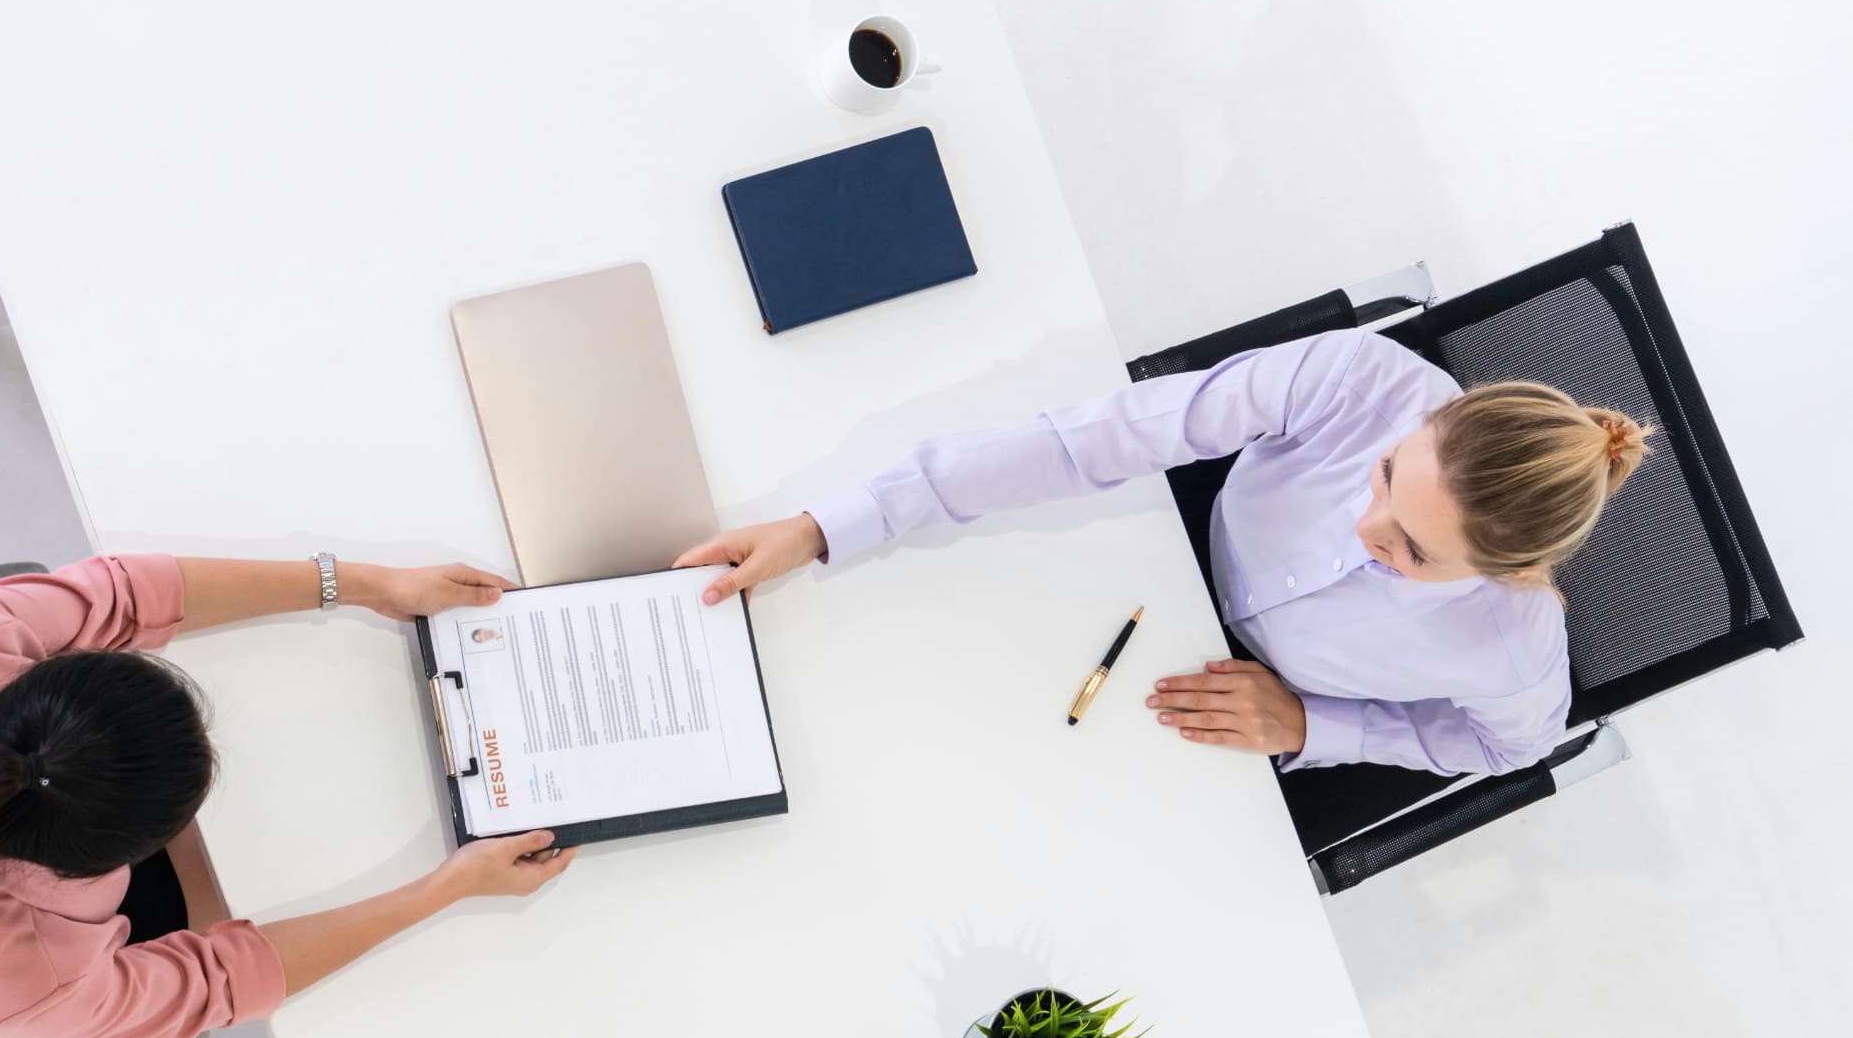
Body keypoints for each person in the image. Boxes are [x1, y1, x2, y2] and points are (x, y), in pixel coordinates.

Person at [0, 553, 573, 1038]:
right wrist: (446, 888)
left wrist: (361, 581)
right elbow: (221, 978)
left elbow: (121, 593)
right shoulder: (36, 983)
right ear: (122, 861)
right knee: (226, 904)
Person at [675, 331, 1651, 776]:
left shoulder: (1512, 646)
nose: (1367, 529)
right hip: (1153, 551)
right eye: (1385, 476)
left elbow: (1511, 745)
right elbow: (1094, 440)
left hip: (1208, 703)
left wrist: (1316, 725)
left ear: (1494, 572)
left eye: (1407, 551)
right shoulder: (1363, 380)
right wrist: (827, 524)